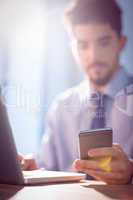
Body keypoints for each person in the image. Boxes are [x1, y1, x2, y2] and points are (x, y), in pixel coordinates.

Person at [20, 0, 133, 184]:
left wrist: (131, 173)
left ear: (121, 43)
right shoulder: (61, 108)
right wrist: (33, 169)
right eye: (83, 45)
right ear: (72, 48)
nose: (93, 55)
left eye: (103, 43)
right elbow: (47, 167)